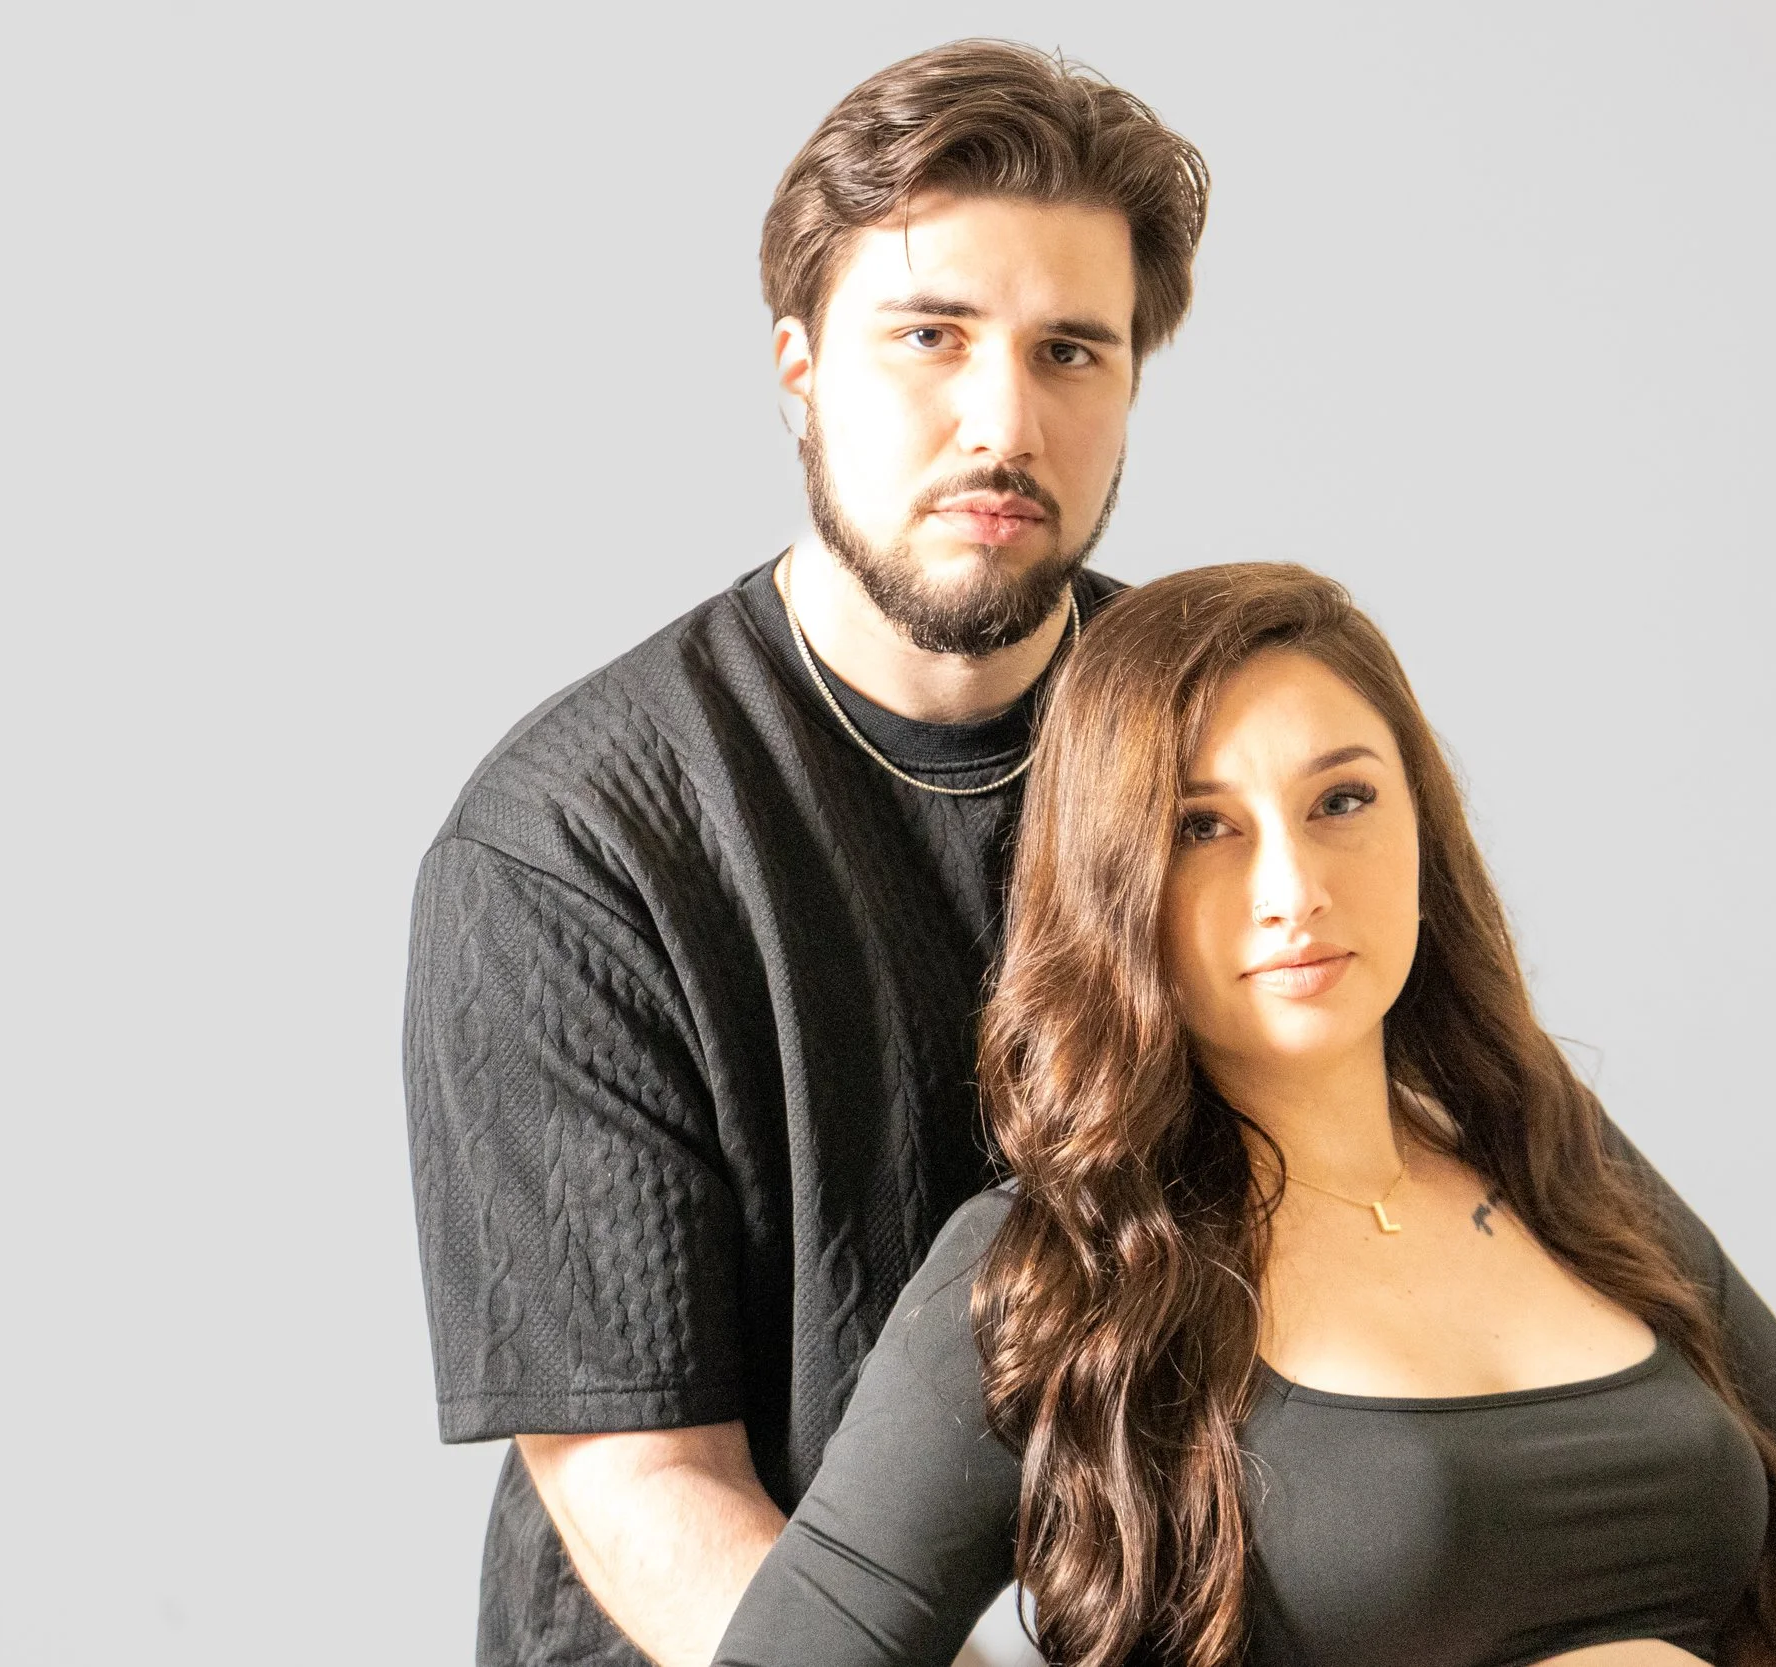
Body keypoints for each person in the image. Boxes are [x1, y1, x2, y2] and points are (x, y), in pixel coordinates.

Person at [714, 565, 1776, 1667]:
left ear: (1420, 824)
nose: (1294, 888)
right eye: (1200, 826)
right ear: (1115, 886)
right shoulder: (1050, 1268)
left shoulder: (1550, 1146)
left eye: (1342, 801)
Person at [401, 41, 1208, 1666]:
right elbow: (644, 1479)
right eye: (931, 336)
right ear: (797, 367)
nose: (1004, 418)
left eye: (1071, 351)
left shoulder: (1232, 756)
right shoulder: (578, 842)